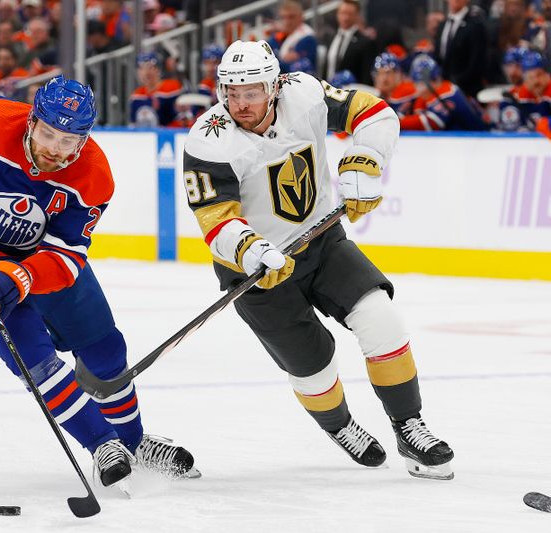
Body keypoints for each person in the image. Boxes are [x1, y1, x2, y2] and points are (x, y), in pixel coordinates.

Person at [0, 75, 199, 487]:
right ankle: (103, 444)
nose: (54, 149)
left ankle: (134, 442)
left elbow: (67, 256)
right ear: (31, 121)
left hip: (38, 260)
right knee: (33, 357)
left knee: (105, 347)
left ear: (84, 139)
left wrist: (22, 275)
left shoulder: (93, 176)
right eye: (48, 134)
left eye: (69, 141)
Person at [182, 40, 455, 480]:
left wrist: (365, 160)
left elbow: (375, 112)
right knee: (312, 366)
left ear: (273, 86)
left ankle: (408, 425)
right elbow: (214, 219)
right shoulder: (209, 139)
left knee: (379, 318)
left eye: (250, 92)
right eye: (231, 92)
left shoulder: (304, 92)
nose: (239, 103)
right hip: (256, 272)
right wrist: (252, 249)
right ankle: (340, 425)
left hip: (322, 241)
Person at [401, 53, 489, 131]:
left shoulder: (447, 94)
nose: (416, 89)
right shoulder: (444, 89)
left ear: (432, 81)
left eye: (418, 84)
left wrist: (396, 122)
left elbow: (430, 123)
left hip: (480, 141)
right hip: (469, 140)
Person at [325, 0, 376, 84]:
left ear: (357, 16)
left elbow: (366, 76)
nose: (346, 17)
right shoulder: (330, 38)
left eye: (350, 14)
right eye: (343, 13)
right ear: (337, 14)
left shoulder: (365, 43)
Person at [373, 52, 417, 117]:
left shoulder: (406, 91)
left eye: (388, 73)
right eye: (379, 73)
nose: (383, 78)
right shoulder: (378, 96)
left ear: (398, 74)